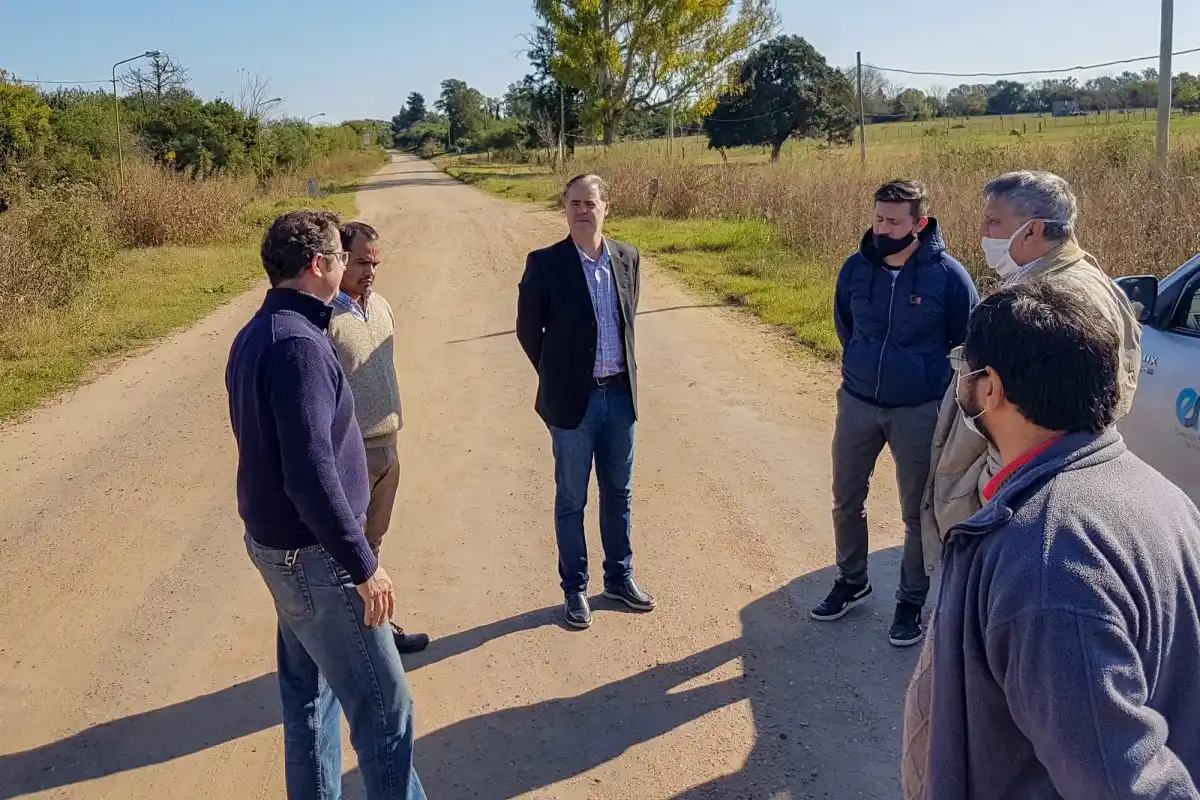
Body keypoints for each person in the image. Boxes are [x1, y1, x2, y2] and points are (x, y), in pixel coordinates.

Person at [901, 280, 1200, 799]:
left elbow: (1119, 781)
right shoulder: (1160, 495)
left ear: (991, 388)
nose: (960, 384)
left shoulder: (1045, 556)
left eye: (964, 370)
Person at [226, 210, 425, 800]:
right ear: (319, 265)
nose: (347, 266)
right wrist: (363, 564)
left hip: (281, 551)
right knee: (386, 709)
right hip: (316, 558)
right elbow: (310, 475)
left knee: (311, 699)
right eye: (341, 256)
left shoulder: (260, 331)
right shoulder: (300, 348)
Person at [919, 170, 1142, 569]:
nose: (983, 232)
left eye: (993, 221)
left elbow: (1037, 425)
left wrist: (992, 493)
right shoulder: (1068, 281)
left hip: (1012, 496)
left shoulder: (1057, 300)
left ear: (1033, 229)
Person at [810, 179, 978, 648]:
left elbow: (967, 342)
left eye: (894, 222)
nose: (882, 229)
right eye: (878, 218)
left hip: (919, 410)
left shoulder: (949, 276)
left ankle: (910, 601)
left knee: (916, 513)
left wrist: (924, 379)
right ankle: (852, 580)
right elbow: (846, 327)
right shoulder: (855, 269)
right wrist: (862, 369)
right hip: (859, 402)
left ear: (919, 224)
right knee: (846, 499)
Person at [515, 173, 655, 629]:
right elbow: (527, 330)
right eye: (574, 203)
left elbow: (628, 320)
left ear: (606, 207)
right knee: (572, 498)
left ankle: (619, 578)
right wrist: (557, 376)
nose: (581, 211)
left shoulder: (628, 258)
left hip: (620, 397)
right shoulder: (545, 263)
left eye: (590, 203)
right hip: (573, 403)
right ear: (565, 208)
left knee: (619, 493)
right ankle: (575, 588)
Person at [328, 220, 429, 654]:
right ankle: (349, 644)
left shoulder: (382, 306)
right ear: (339, 259)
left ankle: (374, 632)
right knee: (346, 551)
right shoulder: (326, 318)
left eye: (375, 263)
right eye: (360, 262)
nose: (369, 271)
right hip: (350, 451)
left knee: (372, 545)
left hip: (388, 445)